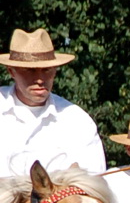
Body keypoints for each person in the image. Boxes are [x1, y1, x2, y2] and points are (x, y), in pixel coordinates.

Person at [0, 29, 103, 176]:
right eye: (30, 71)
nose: (40, 79)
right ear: (11, 71)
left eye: (47, 70)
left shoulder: (77, 121)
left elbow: (94, 178)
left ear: (55, 71)